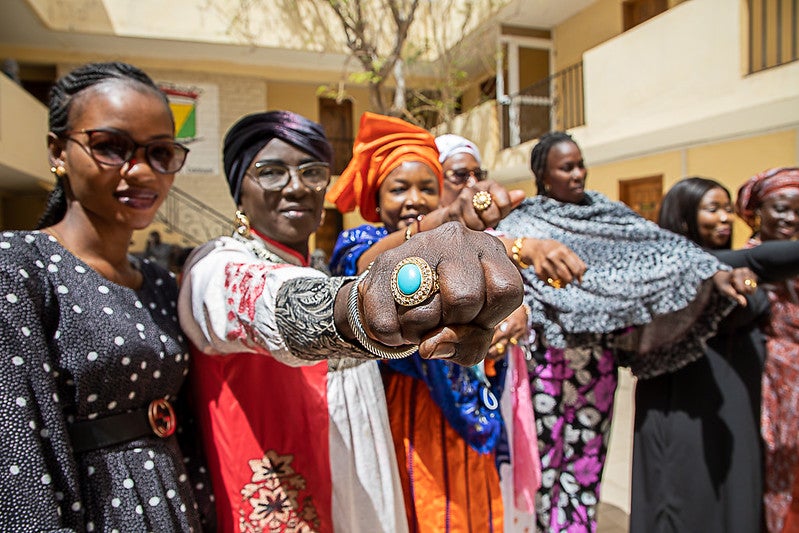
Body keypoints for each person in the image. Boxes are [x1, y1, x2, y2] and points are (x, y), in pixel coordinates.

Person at [178, 110, 524, 533]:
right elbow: (270, 301)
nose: (296, 186)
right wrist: (371, 306)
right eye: (270, 172)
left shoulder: (320, 268)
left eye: (312, 171)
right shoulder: (216, 267)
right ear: (239, 191)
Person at [0, 61, 212, 531]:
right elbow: (13, 446)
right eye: (111, 147)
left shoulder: (157, 282)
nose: (140, 171)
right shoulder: (20, 267)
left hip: (172, 507)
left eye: (160, 152)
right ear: (58, 151)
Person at [496, 132, 743, 533]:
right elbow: (513, 285)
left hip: (598, 363)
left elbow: (666, 248)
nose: (578, 174)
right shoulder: (521, 225)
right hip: (545, 362)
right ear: (542, 173)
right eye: (566, 167)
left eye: (580, 165)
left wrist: (713, 270)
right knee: (542, 458)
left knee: (587, 459)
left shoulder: (611, 215)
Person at [328, 112, 532, 531]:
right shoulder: (360, 242)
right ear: (378, 199)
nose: (413, 200)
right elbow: (368, 267)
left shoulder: (459, 248)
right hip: (402, 409)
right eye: (399, 188)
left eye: (427, 188)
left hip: (467, 405)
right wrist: (441, 219)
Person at [631, 177, 799, 532]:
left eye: (727, 209)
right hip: (685, 409)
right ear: (684, 216)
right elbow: (759, 258)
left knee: (737, 502)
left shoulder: (736, 267)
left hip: (736, 405)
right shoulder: (668, 266)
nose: (725, 218)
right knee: (689, 505)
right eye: (712, 209)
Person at [736, 167, 799, 532]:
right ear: (757, 211)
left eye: (797, 210)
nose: (790, 218)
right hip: (764, 388)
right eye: (780, 208)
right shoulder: (745, 263)